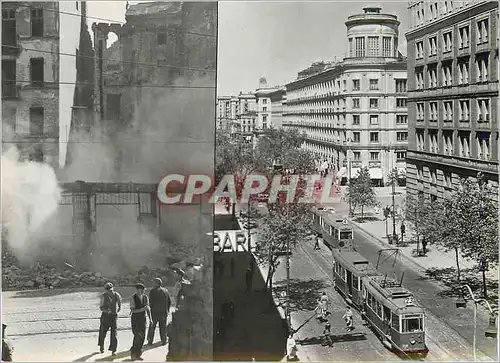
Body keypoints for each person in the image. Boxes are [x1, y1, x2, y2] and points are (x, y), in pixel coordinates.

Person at [98, 282, 122, 355]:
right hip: (105, 316)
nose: (109, 291)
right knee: (102, 332)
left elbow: (119, 301)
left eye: (110, 289)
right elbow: (101, 307)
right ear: (106, 290)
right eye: (108, 289)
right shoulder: (103, 296)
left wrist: (119, 307)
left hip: (113, 316)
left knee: (114, 334)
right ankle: (101, 345)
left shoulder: (116, 294)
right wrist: (106, 310)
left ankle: (113, 349)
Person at [130, 283, 151, 361]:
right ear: (137, 290)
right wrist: (142, 309)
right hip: (135, 319)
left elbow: (148, 309)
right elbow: (132, 310)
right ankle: (133, 354)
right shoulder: (133, 297)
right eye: (141, 290)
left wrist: (150, 319)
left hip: (143, 319)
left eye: (143, 290)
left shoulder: (146, 297)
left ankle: (138, 355)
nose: (143, 291)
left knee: (142, 337)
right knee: (137, 337)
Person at [147, 278, 171, 346]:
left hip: (155, 312)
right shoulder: (166, 290)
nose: (152, 283)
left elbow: (150, 302)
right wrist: (167, 310)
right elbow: (169, 301)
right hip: (164, 312)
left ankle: (150, 341)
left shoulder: (153, 291)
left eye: (154, 282)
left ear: (156, 283)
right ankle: (164, 340)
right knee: (163, 327)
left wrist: (151, 309)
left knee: (152, 327)